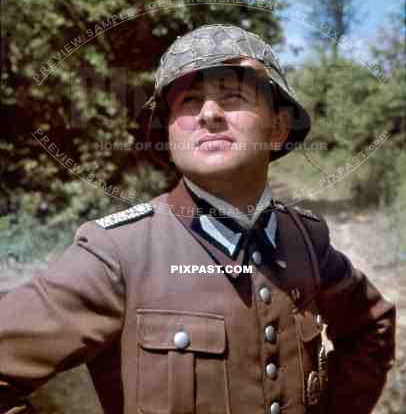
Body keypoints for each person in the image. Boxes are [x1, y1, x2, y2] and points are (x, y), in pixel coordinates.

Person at [0, 24, 396, 414]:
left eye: (233, 95)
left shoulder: (304, 240)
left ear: (277, 128)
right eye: (189, 101)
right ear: (168, 134)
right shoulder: (118, 253)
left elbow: (372, 327)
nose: (209, 114)